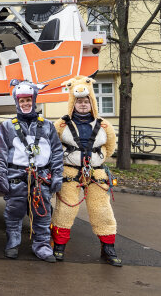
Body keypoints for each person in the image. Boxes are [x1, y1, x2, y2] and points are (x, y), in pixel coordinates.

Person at [51, 76, 121, 266]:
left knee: (102, 210)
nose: (83, 105)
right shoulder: (61, 125)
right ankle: (58, 245)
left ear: (92, 102)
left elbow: (110, 146)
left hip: (96, 173)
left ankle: (108, 247)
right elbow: (53, 146)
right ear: (73, 103)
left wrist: (98, 159)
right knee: (66, 209)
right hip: (69, 173)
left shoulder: (105, 125)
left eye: (86, 101)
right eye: (79, 101)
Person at [0, 80, 63, 262]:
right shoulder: (7, 126)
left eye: (28, 100)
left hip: (41, 177)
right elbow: (1, 154)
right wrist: (2, 178)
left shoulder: (48, 125)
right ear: (17, 102)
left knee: (42, 213)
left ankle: (42, 246)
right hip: (17, 177)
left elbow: (57, 152)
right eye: (22, 100)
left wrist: (57, 175)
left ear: (34, 100)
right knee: (14, 213)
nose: (25, 104)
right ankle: (13, 243)